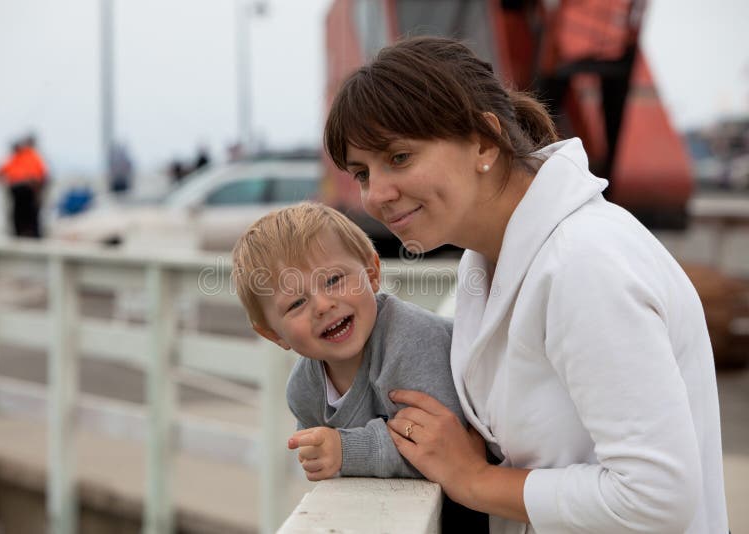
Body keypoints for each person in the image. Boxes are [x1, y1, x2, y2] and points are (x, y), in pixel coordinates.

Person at [323, 36, 728, 533]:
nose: (377, 194)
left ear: (485, 142)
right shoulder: (489, 259)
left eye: (400, 157)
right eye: (362, 172)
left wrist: (473, 479)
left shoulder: (582, 262)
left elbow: (658, 496)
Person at [231, 202, 487, 529]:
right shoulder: (304, 390)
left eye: (334, 280)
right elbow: (326, 458)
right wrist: (324, 454)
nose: (323, 305)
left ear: (372, 274)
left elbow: (444, 450)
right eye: (296, 303)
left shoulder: (409, 340)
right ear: (272, 334)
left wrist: (345, 450)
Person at [0, 135, 48, 238]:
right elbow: (42, 175)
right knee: (25, 215)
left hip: (26, 190)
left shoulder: (25, 157)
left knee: (25, 215)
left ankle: (25, 236)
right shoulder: (23, 157)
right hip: (24, 191)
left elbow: (41, 175)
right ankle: (27, 236)